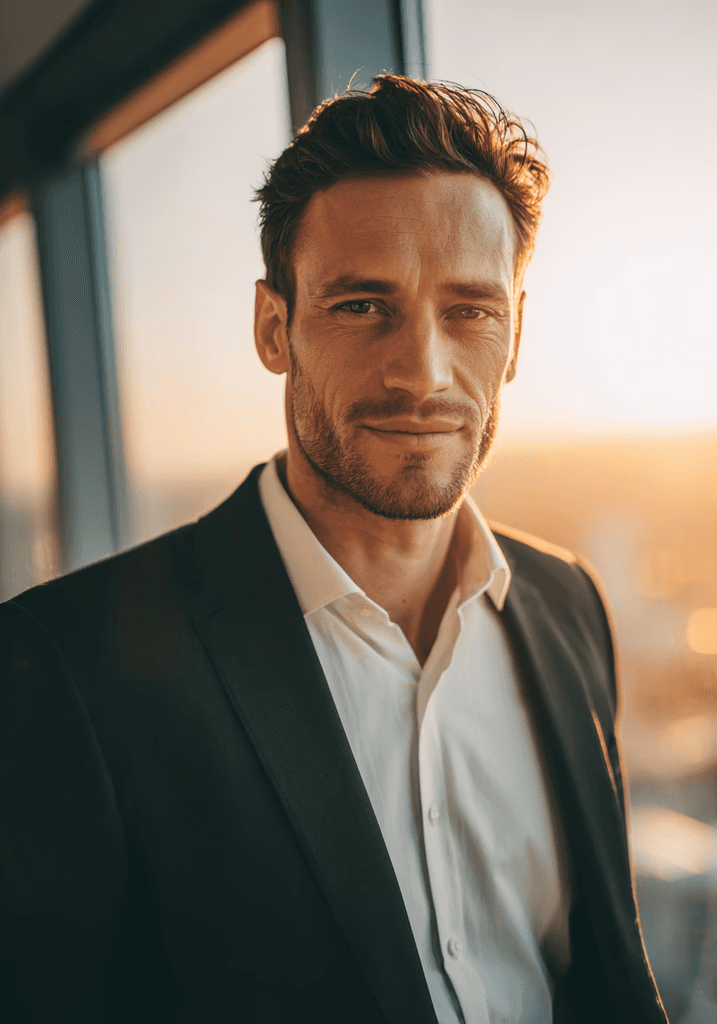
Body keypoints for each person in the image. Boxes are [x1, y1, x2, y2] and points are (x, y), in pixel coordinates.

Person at [0, 75, 667, 1024]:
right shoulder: (65, 665)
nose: (422, 373)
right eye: (361, 306)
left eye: (470, 312)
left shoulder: (567, 604)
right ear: (274, 329)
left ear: (515, 338)